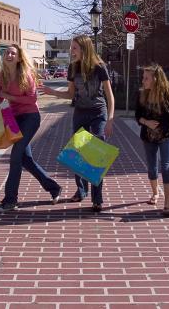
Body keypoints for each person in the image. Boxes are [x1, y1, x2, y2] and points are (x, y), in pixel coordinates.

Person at [42, 35, 114, 212]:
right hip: (80, 112)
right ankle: (81, 190)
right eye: (71, 48)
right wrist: (51, 92)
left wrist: (110, 119)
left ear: (84, 48)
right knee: (77, 153)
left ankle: (97, 199)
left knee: (96, 155)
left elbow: (109, 95)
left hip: (98, 112)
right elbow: (70, 94)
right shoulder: (73, 67)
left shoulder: (100, 67)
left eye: (74, 48)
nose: (71, 51)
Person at [0, 44, 62, 211]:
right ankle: (54, 188)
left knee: (16, 156)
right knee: (25, 159)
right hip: (12, 118)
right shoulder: (1, 76)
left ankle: (11, 199)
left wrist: (7, 96)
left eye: (12, 53)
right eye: (7, 53)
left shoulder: (26, 75)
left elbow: (32, 100)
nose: (9, 55)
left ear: (19, 58)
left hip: (30, 117)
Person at [135, 64, 169, 218]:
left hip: (166, 135)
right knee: (152, 168)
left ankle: (167, 204)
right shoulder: (141, 94)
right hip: (148, 136)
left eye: (146, 78)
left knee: (166, 167)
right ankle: (154, 193)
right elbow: (137, 115)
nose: (143, 81)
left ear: (156, 79)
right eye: (143, 77)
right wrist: (146, 122)